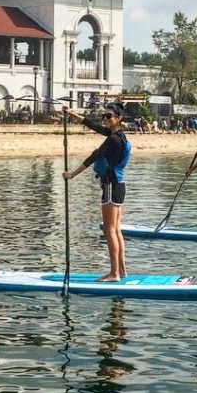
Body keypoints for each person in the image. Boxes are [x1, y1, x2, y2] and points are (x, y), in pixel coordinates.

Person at [63, 102, 132, 281]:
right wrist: (72, 115)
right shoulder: (119, 136)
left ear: (119, 118)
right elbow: (93, 126)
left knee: (110, 231)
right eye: (105, 116)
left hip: (110, 186)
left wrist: (72, 174)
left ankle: (114, 273)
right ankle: (122, 271)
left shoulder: (113, 140)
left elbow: (94, 157)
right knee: (116, 230)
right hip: (119, 186)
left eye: (109, 116)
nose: (105, 119)